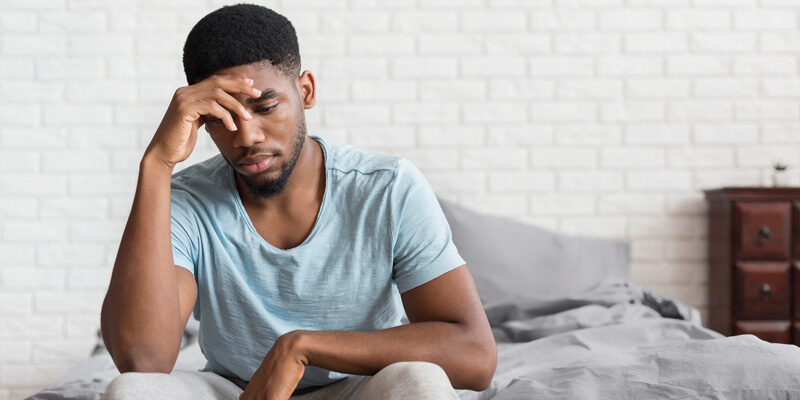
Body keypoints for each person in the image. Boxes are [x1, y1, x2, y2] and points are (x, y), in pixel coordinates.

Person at [99, 4, 496, 400]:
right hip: (238, 391)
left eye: (265, 107)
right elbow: (144, 358)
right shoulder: (186, 200)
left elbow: (474, 354)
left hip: (358, 387)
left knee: (419, 382)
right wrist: (157, 164)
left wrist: (302, 348)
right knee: (131, 390)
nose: (246, 136)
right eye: (221, 118)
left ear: (305, 91)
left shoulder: (388, 188)